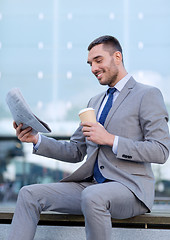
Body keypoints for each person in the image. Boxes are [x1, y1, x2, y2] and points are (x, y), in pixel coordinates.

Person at [8, 35, 170, 240]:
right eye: (90, 63)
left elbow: (160, 150)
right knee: (28, 194)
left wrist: (111, 139)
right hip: (91, 188)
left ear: (117, 57)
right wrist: (36, 139)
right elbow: (76, 151)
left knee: (93, 196)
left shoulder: (147, 95)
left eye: (98, 60)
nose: (93, 68)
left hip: (131, 190)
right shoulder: (95, 101)